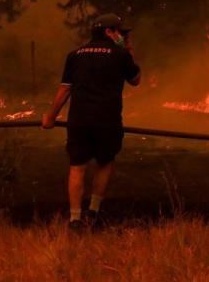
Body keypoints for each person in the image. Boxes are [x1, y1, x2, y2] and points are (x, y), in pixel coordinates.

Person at [42, 13, 141, 230]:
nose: (122, 36)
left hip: (79, 120)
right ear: (108, 32)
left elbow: (65, 89)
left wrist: (50, 117)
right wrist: (129, 51)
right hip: (108, 119)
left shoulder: (75, 55)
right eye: (119, 32)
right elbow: (135, 80)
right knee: (105, 162)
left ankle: (75, 220)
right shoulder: (120, 54)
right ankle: (93, 212)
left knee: (77, 167)